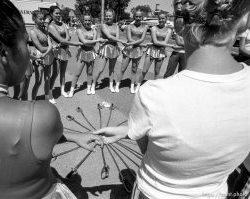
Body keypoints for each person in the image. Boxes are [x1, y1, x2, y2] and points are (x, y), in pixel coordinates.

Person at [95, 0, 250, 198]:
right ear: (245, 20)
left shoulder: (154, 94)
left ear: (178, 25)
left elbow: (153, 150)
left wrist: (135, 129)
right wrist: (128, 130)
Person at [0, 0, 101, 198]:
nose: (29, 51)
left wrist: (73, 137)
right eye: (26, 42)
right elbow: (27, 137)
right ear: (2, 51)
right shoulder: (39, 115)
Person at [47, 6, 81, 101]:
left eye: (59, 13)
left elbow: (68, 37)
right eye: (56, 13)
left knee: (63, 73)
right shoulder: (51, 26)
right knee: (55, 73)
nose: (58, 15)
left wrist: (64, 41)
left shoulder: (63, 24)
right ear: (51, 14)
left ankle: (62, 90)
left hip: (65, 50)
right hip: (56, 52)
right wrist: (69, 42)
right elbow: (61, 39)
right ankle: (50, 93)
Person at [68, 14, 107, 97]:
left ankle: (88, 88)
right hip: (82, 53)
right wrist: (97, 40)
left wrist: (92, 42)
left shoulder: (94, 31)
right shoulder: (79, 30)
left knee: (89, 72)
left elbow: (92, 45)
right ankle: (72, 90)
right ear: (82, 21)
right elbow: (84, 42)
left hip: (91, 53)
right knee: (77, 73)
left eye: (89, 20)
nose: (87, 22)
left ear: (91, 21)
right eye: (85, 20)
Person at [91, 9, 126, 94]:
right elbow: (110, 36)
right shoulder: (103, 25)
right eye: (107, 15)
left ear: (113, 16)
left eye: (110, 16)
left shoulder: (116, 26)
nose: (108, 17)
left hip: (114, 48)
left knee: (112, 69)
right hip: (105, 49)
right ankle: (93, 84)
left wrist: (113, 40)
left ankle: (110, 85)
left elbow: (116, 37)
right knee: (100, 69)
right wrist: (120, 41)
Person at [115, 10, 150, 94]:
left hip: (137, 50)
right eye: (136, 16)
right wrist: (134, 43)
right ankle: (117, 84)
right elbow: (129, 38)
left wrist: (133, 43)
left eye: (139, 17)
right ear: (134, 17)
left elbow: (142, 39)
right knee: (123, 68)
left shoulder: (145, 27)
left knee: (134, 69)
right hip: (129, 49)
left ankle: (132, 86)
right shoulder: (129, 26)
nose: (138, 18)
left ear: (142, 17)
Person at [136, 13, 173, 91]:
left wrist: (162, 44)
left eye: (163, 18)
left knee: (157, 72)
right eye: (160, 18)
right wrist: (162, 44)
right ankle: (138, 85)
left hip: (161, 51)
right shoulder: (153, 28)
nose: (161, 20)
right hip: (151, 50)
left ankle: (154, 88)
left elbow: (165, 42)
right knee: (144, 70)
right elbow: (156, 41)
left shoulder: (169, 30)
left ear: (166, 19)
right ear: (158, 19)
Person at [29, 10, 54, 102]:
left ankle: (47, 99)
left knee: (47, 79)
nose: (43, 20)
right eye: (40, 19)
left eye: (43, 18)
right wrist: (51, 47)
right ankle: (33, 101)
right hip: (39, 57)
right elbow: (40, 48)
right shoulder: (33, 32)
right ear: (34, 19)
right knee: (38, 81)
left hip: (47, 56)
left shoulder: (44, 30)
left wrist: (50, 47)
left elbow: (48, 45)